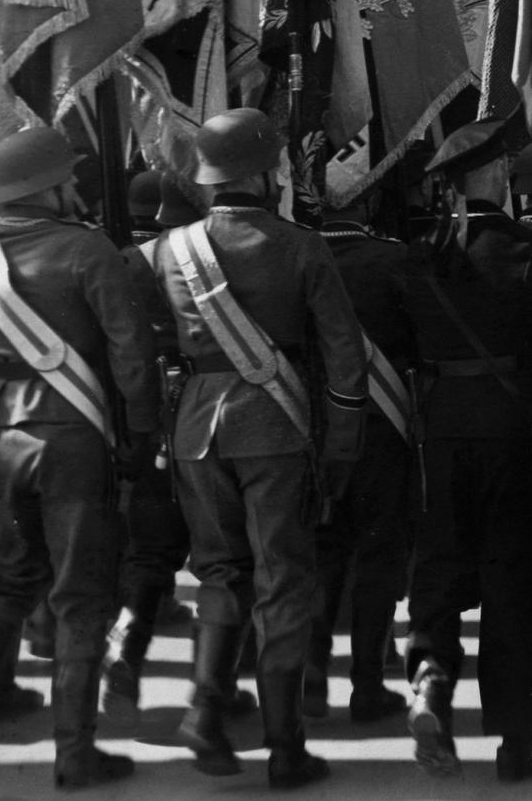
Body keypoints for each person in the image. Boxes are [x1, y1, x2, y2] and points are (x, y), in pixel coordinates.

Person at [144, 109, 367, 787]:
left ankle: (207, 713)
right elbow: (344, 357)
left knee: (219, 574)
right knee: (284, 583)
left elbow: (151, 343)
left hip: (193, 433)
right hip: (274, 429)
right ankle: (284, 745)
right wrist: (343, 446)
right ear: (269, 171)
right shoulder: (302, 246)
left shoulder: (168, 249)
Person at [0, 129, 160, 788]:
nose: (78, 186)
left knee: (6, 578)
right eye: (69, 177)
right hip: (70, 433)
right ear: (46, 187)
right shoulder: (87, 247)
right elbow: (133, 354)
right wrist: (142, 434)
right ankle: (75, 753)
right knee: (81, 595)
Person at [401, 119, 532, 783]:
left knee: (441, 567)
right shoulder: (527, 248)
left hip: (441, 432)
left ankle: (428, 678)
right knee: (515, 583)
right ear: (489, 176)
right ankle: (514, 742)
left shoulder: (418, 251)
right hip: (515, 434)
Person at [103, 173, 208, 726]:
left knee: (150, 551)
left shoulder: (129, 262)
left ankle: (126, 642)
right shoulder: (209, 259)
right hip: (207, 404)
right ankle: (213, 694)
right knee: (221, 557)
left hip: (152, 412)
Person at [307, 189, 414, 724]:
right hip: (381, 427)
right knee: (377, 556)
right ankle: (367, 684)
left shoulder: (298, 252)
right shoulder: (395, 258)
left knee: (323, 553)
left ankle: (311, 676)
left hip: (315, 425)